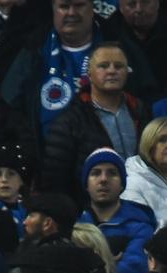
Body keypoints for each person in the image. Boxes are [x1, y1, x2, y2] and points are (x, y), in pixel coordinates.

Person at [0, 0, 155, 138]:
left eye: (79, 5)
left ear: (92, 7)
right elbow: (11, 101)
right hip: (46, 158)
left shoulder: (120, 46)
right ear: (53, 9)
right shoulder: (34, 49)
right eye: (64, 6)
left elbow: (144, 98)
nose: (71, 13)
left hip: (109, 160)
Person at [41, 42, 147, 197]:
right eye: (103, 66)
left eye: (118, 66)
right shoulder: (70, 121)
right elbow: (55, 180)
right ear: (89, 74)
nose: (111, 71)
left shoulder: (141, 111)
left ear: (127, 72)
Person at [79, 147, 157, 273]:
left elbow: (134, 270)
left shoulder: (140, 224)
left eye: (112, 173)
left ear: (122, 184)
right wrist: (109, 264)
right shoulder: (75, 225)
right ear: (86, 184)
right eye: (95, 173)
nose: (103, 179)